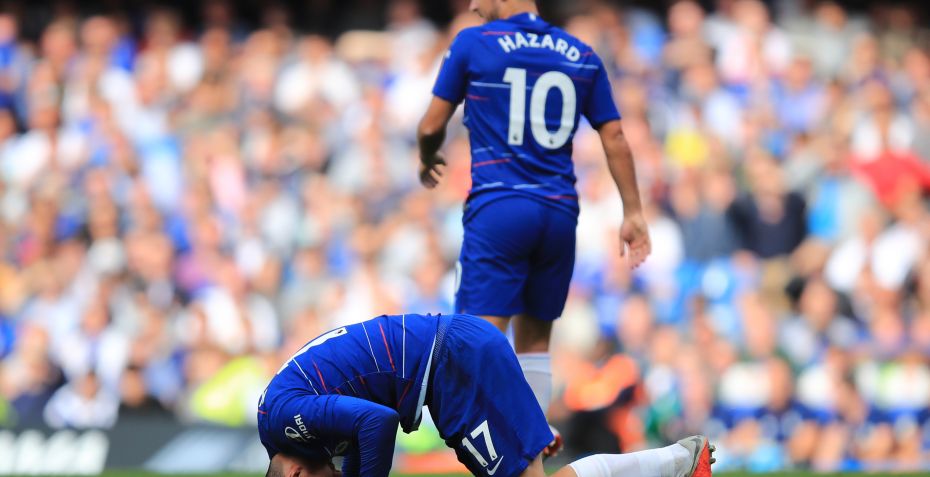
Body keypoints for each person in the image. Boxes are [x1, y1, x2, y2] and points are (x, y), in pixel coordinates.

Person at [417, 0, 651, 452]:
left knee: (477, 338)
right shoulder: (580, 53)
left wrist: (427, 156)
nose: (473, 6)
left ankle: (497, 453)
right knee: (536, 341)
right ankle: (534, 437)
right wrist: (634, 212)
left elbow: (431, 125)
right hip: (559, 214)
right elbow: (615, 135)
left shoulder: (475, 43)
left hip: (500, 207)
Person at [258, 313, 714, 477]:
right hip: (456, 356)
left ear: (295, 475)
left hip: (451, 363)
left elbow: (377, 422)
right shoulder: (288, 425)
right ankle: (678, 461)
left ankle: (677, 461)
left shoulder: (284, 420)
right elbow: (361, 439)